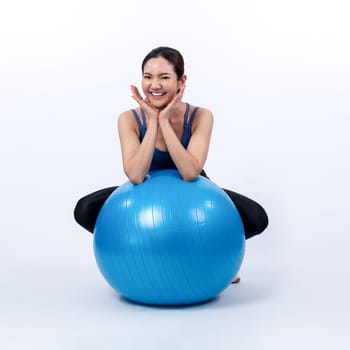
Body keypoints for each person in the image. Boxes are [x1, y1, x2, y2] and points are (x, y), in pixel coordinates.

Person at [74, 47, 269, 283]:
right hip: (144, 191)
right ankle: (146, 259)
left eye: (164, 77)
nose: (154, 84)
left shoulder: (201, 116)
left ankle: (214, 262)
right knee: (84, 209)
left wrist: (164, 120)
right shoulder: (128, 119)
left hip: (193, 192)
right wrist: (152, 122)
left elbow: (189, 172)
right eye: (148, 77)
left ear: (181, 81)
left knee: (257, 217)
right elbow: (135, 174)